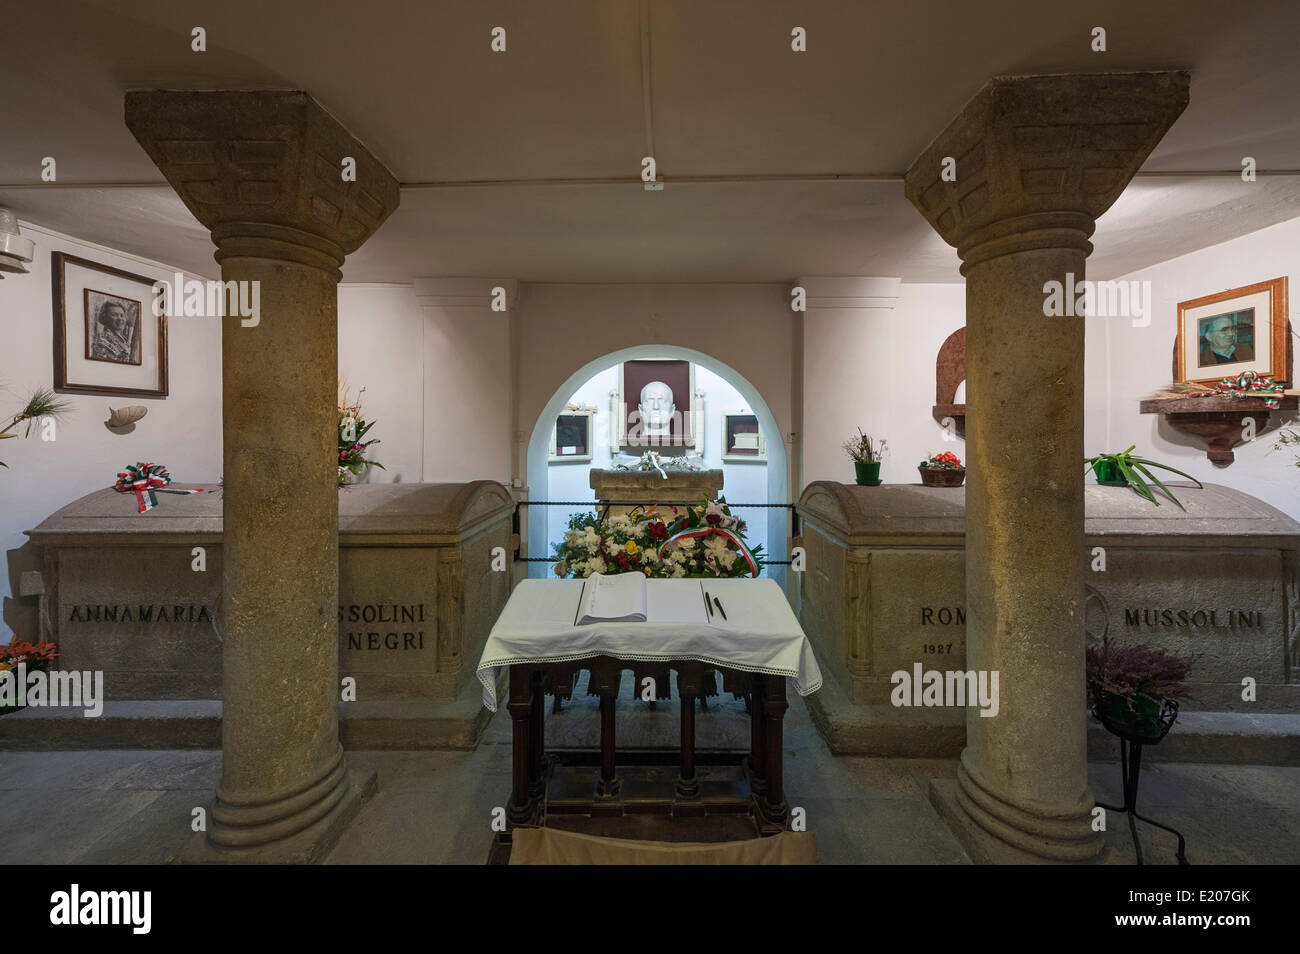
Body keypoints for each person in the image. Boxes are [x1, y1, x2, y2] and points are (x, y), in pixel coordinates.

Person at [89, 299, 138, 363]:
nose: (120, 319)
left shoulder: (124, 339)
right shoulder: (102, 341)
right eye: (114, 315)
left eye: (122, 315)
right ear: (105, 318)